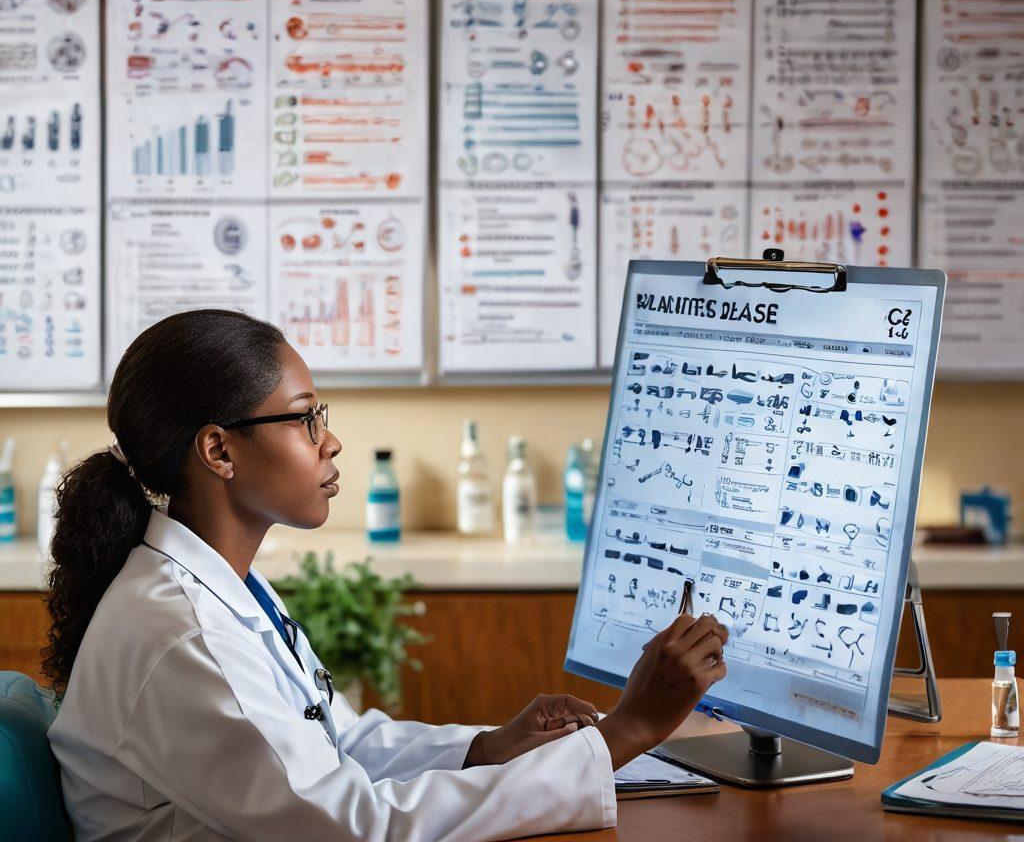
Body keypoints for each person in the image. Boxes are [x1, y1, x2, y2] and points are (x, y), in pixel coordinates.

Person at [45, 309, 728, 842]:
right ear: (219, 450)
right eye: (306, 418)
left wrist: (489, 747)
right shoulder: (183, 633)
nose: (331, 440)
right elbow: (355, 827)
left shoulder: (221, 589)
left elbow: (337, 744)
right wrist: (627, 731)